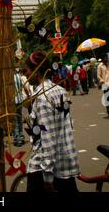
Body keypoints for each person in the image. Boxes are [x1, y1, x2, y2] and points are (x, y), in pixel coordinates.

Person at [24, 51, 80, 192]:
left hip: (46, 168)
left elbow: (47, 137)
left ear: (36, 71)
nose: (25, 74)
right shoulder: (59, 90)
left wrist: (47, 177)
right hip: (65, 161)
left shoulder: (43, 98)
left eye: (27, 70)